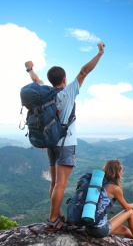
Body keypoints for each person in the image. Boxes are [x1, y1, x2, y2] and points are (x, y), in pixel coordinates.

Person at [24, 42, 106, 232]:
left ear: (50, 80)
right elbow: (84, 71)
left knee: (54, 182)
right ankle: (53, 218)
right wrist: (100, 53)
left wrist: (29, 69)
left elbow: (36, 81)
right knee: (61, 183)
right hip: (65, 144)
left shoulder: (47, 94)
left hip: (51, 142)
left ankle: (56, 212)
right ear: (64, 78)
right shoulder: (68, 92)